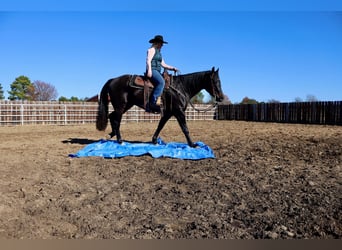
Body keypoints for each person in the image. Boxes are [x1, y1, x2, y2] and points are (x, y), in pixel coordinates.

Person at [146, 35, 178, 113]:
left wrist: (172, 68)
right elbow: (148, 60)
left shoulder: (159, 53)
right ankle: (152, 103)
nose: (162, 45)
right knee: (161, 82)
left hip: (157, 71)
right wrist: (149, 70)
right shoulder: (151, 50)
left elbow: (163, 64)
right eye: (161, 43)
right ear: (157, 43)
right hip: (153, 70)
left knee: (167, 82)